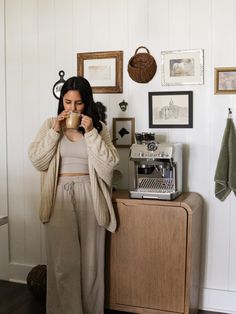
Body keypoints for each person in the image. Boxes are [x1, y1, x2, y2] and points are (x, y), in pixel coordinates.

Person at [28, 76, 119, 314]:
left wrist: (91, 134)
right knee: (63, 263)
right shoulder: (50, 125)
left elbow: (108, 167)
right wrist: (54, 132)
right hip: (58, 196)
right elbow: (38, 161)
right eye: (67, 102)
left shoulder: (99, 128)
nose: (72, 108)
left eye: (78, 103)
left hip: (90, 196)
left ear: (86, 103)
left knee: (91, 264)